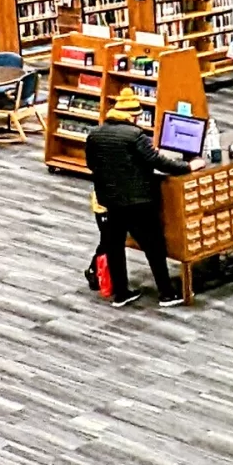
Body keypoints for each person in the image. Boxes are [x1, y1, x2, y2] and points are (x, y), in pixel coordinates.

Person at [83, 87, 186, 307]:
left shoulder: (94, 134)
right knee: (154, 246)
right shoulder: (135, 135)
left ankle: (121, 294)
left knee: (114, 246)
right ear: (132, 116)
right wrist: (188, 166)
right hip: (138, 202)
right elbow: (160, 163)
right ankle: (166, 293)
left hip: (109, 201)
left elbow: (92, 165)